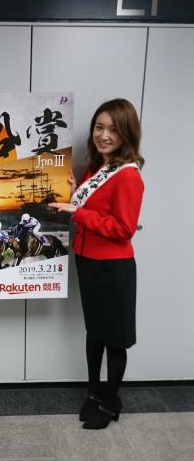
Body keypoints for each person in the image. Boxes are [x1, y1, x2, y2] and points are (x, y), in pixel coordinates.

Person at [49, 98, 144, 429]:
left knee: (114, 337)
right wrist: (76, 194)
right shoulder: (96, 168)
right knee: (95, 332)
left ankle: (110, 399)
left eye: (113, 129)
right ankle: (93, 392)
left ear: (127, 133)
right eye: (99, 127)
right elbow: (93, 209)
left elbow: (123, 228)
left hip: (113, 267)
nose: (104, 135)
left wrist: (78, 213)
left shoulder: (128, 175)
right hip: (86, 259)